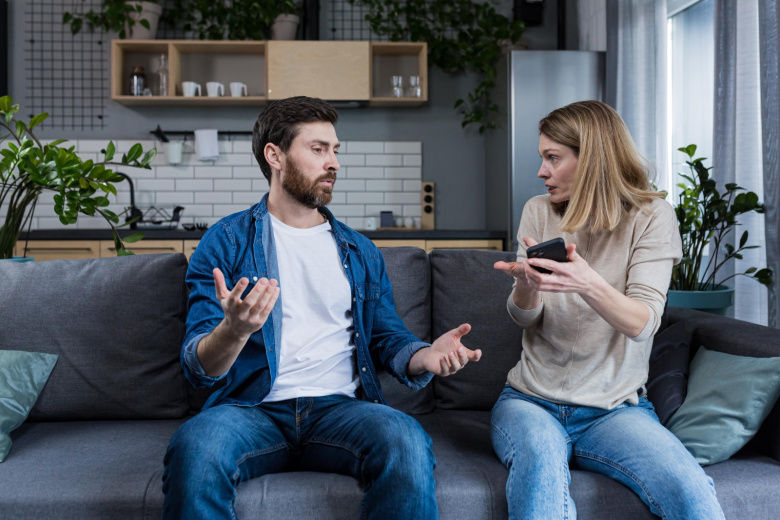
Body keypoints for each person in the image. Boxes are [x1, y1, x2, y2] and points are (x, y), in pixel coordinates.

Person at [162, 96, 482, 520]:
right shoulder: (226, 242)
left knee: (405, 439)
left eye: (335, 150)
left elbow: (387, 337)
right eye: (318, 149)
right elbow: (198, 367)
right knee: (196, 446)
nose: (333, 163)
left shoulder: (359, 250)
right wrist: (234, 331)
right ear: (275, 156)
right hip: (250, 411)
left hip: (341, 410)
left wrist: (426, 356)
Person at [491, 100, 725, 520]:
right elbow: (525, 317)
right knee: (541, 469)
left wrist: (586, 282)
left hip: (615, 411)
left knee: (690, 491)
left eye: (552, 158)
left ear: (591, 159)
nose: (541, 171)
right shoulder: (538, 211)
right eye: (542, 158)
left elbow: (643, 323)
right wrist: (526, 286)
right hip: (530, 402)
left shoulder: (652, 217)